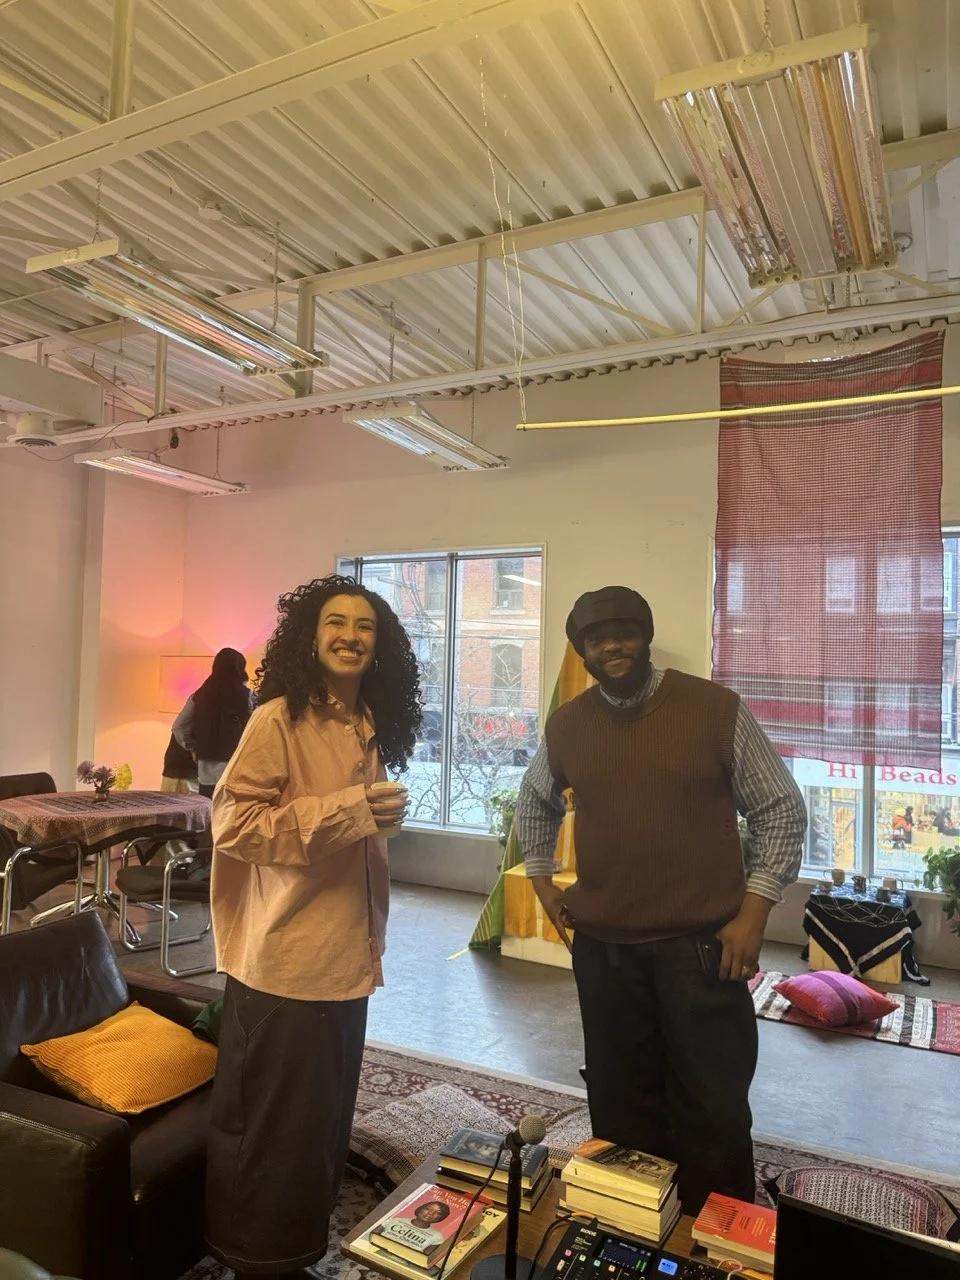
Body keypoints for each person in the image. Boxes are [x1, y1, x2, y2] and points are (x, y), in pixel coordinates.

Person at [516, 586, 806, 1214]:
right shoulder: (569, 724)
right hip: (605, 950)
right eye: (597, 639)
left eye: (624, 633)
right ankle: (633, 1224)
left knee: (711, 1099)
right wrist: (542, 880)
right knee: (620, 1099)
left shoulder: (714, 709)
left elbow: (781, 809)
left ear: (645, 636)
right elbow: (535, 800)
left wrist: (754, 912)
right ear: (583, 651)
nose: (612, 646)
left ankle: (717, 1232)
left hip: (702, 947)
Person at [205, 575, 421, 1280]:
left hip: (343, 958)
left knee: (319, 1122)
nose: (350, 636)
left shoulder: (363, 724)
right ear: (309, 635)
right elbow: (234, 825)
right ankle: (254, 1259)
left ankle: (297, 1248)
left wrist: (367, 818)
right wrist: (352, 812)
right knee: (272, 1129)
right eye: (336, 622)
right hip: (285, 962)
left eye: (365, 626)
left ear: (379, 647)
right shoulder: (278, 721)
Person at [172, 648, 254, 797]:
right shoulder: (248, 696)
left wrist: (193, 748)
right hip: (238, 768)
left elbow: (179, 727)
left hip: (206, 772)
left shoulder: (199, 696)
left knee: (208, 809)